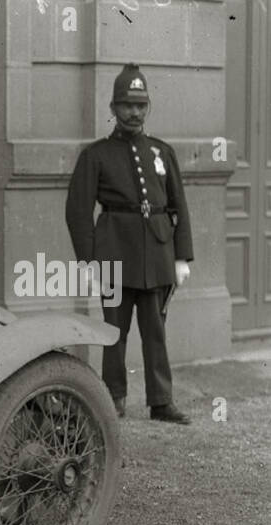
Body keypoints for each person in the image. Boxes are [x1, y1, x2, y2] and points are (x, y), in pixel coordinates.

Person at [65, 63, 194, 424]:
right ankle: (114, 398)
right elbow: (77, 211)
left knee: (155, 331)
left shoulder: (161, 152)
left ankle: (161, 401)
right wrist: (89, 261)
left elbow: (178, 204)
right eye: (126, 105)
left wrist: (182, 257)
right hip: (114, 254)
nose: (134, 112)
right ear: (113, 109)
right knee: (114, 333)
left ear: (147, 107)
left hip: (156, 254)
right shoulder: (96, 155)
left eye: (140, 105)